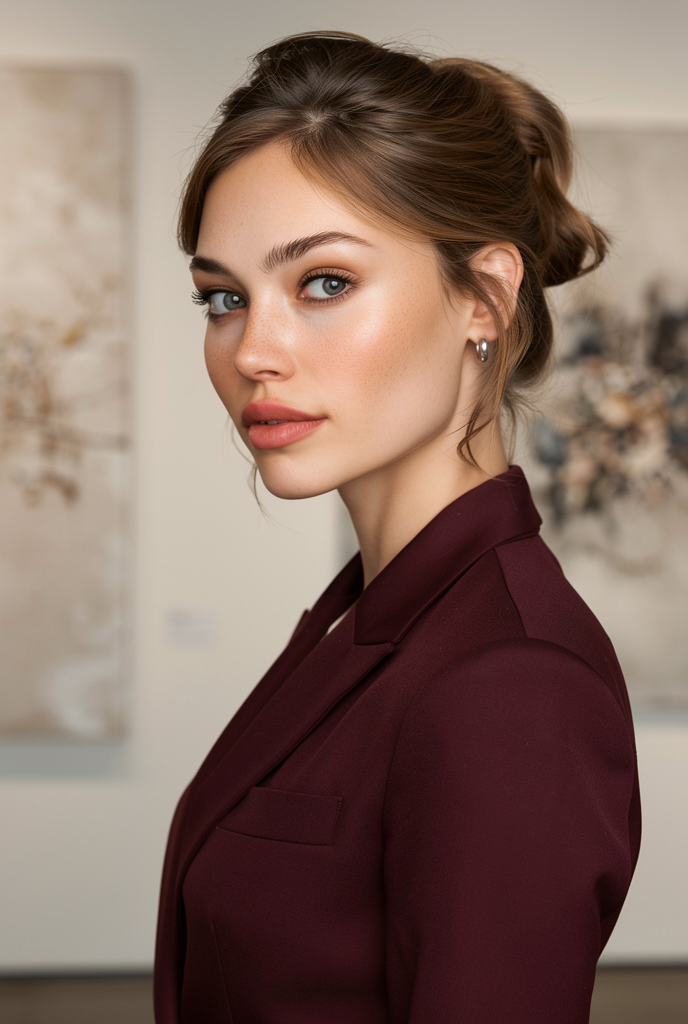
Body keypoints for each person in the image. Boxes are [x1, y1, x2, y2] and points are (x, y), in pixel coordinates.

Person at [154, 31, 640, 1024]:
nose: (253, 351)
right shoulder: (368, 618)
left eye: (324, 282)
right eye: (223, 298)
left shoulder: (511, 682)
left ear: (484, 296)